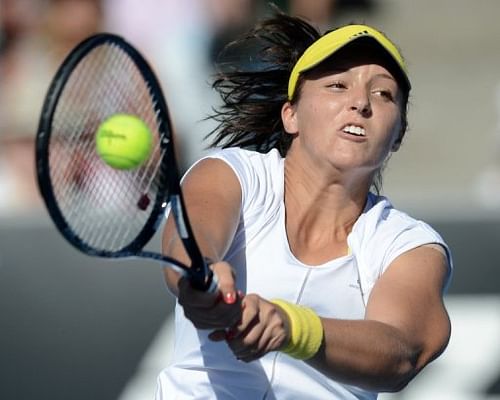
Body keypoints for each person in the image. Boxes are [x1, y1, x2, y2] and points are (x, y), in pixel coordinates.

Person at [156, 9, 452, 400]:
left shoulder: (409, 245)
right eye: (337, 86)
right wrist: (203, 278)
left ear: (398, 134)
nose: (360, 102)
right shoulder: (232, 174)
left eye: (383, 94)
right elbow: (191, 241)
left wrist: (294, 327)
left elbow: (401, 352)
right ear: (291, 115)